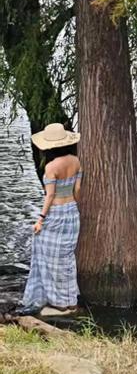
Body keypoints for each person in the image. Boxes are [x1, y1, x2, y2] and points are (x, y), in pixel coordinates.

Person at [22, 123, 82, 316]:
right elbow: (78, 189)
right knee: (66, 258)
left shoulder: (51, 167)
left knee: (49, 257)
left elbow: (50, 196)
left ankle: (59, 304)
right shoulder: (76, 161)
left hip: (55, 214)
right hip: (72, 212)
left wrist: (40, 219)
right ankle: (70, 301)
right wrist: (74, 206)